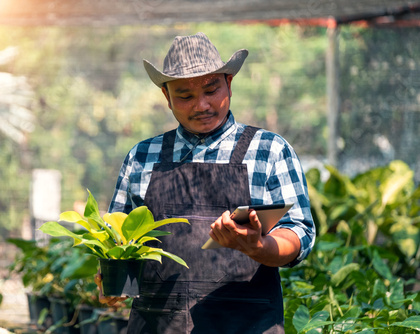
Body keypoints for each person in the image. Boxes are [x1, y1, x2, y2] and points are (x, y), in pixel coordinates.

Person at [100, 32, 316, 333]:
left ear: (229, 82)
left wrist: (258, 245)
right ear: (167, 97)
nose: (201, 105)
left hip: (245, 324)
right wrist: (115, 284)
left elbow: (298, 233)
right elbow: (120, 239)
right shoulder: (142, 156)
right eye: (185, 96)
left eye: (211, 90)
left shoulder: (269, 151)